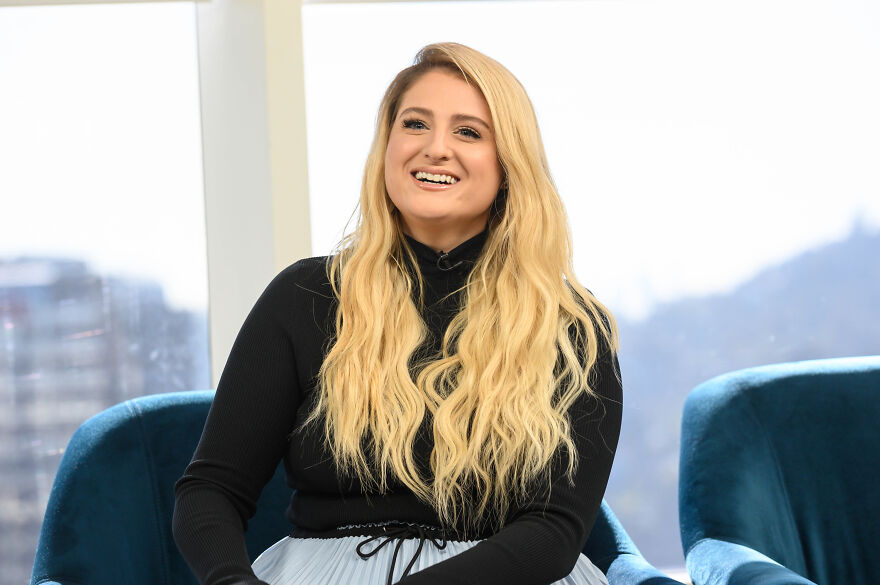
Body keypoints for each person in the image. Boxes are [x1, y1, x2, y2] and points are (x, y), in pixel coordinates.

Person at [172, 42, 622, 585]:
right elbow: (210, 490)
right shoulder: (304, 296)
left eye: (469, 132)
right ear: (387, 145)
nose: (436, 148)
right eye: (415, 124)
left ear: (509, 163)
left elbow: (555, 529)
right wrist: (233, 582)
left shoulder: (573, 326)